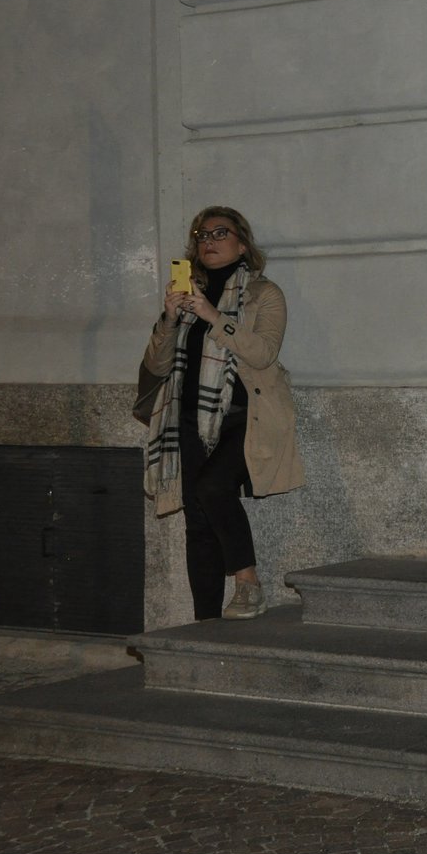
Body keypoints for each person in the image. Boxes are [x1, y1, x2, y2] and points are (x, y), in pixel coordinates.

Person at [141, 207, 303, 621]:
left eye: (220, 232)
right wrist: (170, 318)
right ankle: (206, 623)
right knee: (197, 522)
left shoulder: (264, 294)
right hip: (190, 417)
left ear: (242, 243)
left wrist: (213, 316)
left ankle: (248, 583)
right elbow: (157, 367)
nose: (208, 240)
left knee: (213, 489)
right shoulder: (184, 294)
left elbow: (264, 353)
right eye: (201, 234)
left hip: (244, 419)